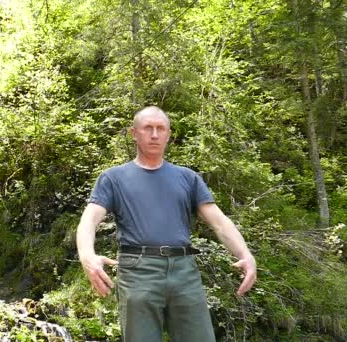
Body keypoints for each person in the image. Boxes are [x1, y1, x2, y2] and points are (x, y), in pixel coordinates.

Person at [76, 106, 257, 342]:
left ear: (168, 134)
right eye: (147, 128)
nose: (154, 134)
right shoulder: (113, 178)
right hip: (138, 271)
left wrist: (245, 253)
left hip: (184, 271)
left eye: (160, 128)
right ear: (134, 133)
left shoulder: (188, 178)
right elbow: (89, 220)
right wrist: (87, 256)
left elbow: (220, 222)